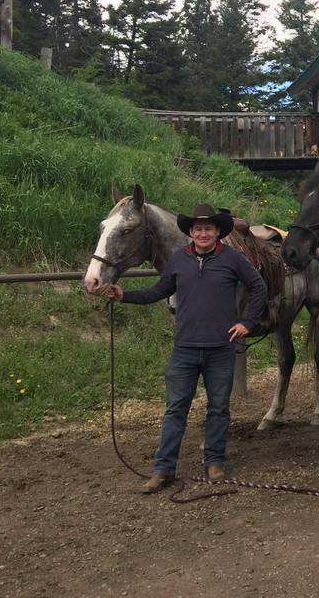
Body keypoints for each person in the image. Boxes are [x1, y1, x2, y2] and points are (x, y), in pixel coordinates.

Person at [104, 203, 267, 494]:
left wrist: (249, 324)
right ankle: (163, 469)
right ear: (190, 232)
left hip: (221, 348)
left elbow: (258, 287)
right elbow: (158, 291)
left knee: (219, 408)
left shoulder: (234, 259)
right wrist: (124, 295)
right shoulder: (179, 260)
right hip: (185, 349)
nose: (203, 233)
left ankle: (214, 462)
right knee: (175, 409)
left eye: (209, 228)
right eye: (198, 229)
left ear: (218, 231)